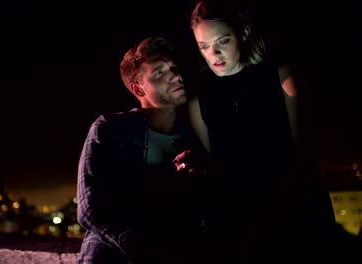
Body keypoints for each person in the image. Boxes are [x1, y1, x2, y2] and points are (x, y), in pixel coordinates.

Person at [184, 0, 339, 262]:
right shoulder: (199, 102)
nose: (214, 54)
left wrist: (272, 217)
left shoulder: (282, 77)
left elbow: (304, 158)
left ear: (243, 33)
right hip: (240, 227)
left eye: (222, 41)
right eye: (204, 46)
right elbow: (218, 172)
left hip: (298, 218)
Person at [76, 36, 209, 264]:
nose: (175, 75)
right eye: (159, 72)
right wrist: (137, 244)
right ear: (138, 88)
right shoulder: (111, 129)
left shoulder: (196, 131)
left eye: (173, 67)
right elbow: (89, 208)